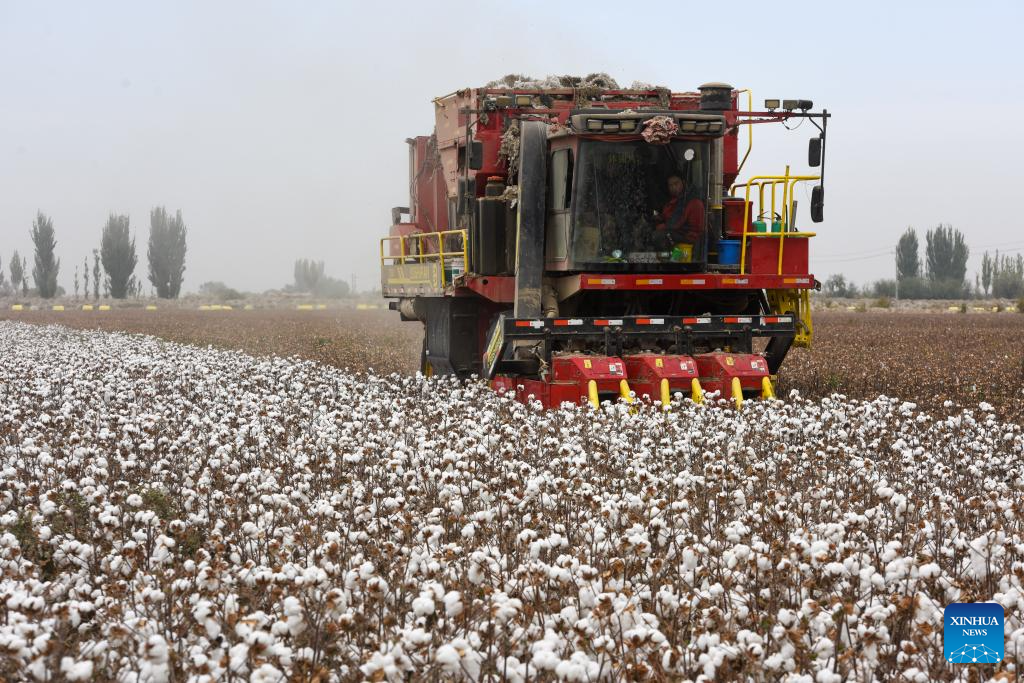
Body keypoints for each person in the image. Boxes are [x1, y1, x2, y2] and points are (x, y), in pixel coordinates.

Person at [654, 174, 705, 251]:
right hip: (677, 233)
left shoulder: (692, 201)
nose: (673, 187)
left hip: (689, 237)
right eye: (670, 185)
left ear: (683, 183)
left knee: (659, 236)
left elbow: (676, 222)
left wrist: (661, 226)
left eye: (676, 183)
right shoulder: (673, 201)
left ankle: (666, 260)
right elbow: (667, 216)